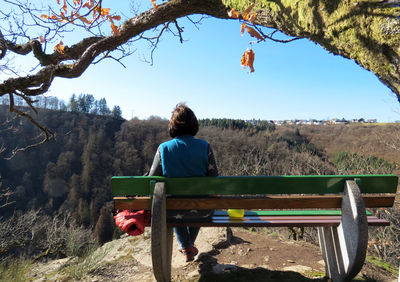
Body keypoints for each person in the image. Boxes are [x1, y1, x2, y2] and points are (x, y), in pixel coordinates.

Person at [148, 103, 218, 262]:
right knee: (201, 201)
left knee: (174, 204)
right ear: (194, 124)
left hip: (172, 212)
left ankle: (186, 246)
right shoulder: (205, 147)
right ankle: (188, 244)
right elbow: (215, 179)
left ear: (172, 125)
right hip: (203, 211)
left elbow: (151, 178)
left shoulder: (163, 148)